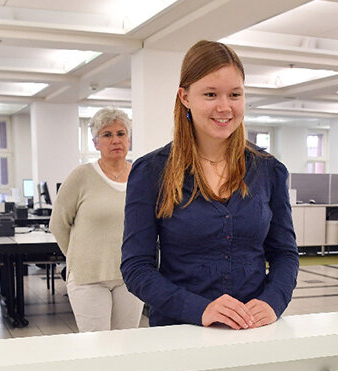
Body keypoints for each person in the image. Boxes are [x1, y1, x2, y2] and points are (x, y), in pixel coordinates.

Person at [121, 40, 298, 328]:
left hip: (253, 332)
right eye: (211, 94)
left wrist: (273, 301)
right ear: (185, 97)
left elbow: (284, 253)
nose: (224, 107)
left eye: (235, 94)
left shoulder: (268, 170)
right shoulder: (151, 171)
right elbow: (136, 268)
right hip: (180, 331)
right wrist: (198, 309)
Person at [50, 107, 144, 332]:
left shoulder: (141, 176)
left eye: (121, 134)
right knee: (97, 348)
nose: (115, 140)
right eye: (107, 135)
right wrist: (78, 256)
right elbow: (58, 224)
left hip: (130, 276)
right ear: (96, 143)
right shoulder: (81, 176)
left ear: (128, 139)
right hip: (88, 277)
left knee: (126, 344)